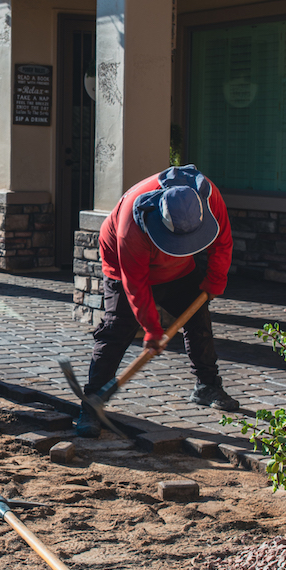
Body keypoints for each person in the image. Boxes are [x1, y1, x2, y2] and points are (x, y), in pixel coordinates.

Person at [76, 164, 239, 437]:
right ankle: (92, 402)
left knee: (197, 319)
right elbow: (135, 283)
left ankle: (207, 385)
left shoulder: (209, 198)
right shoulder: (132, 222)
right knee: (117, 329)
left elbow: (222, 242)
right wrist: (152, 328)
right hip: (124, 265)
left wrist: (215, 281)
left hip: (178, 267)